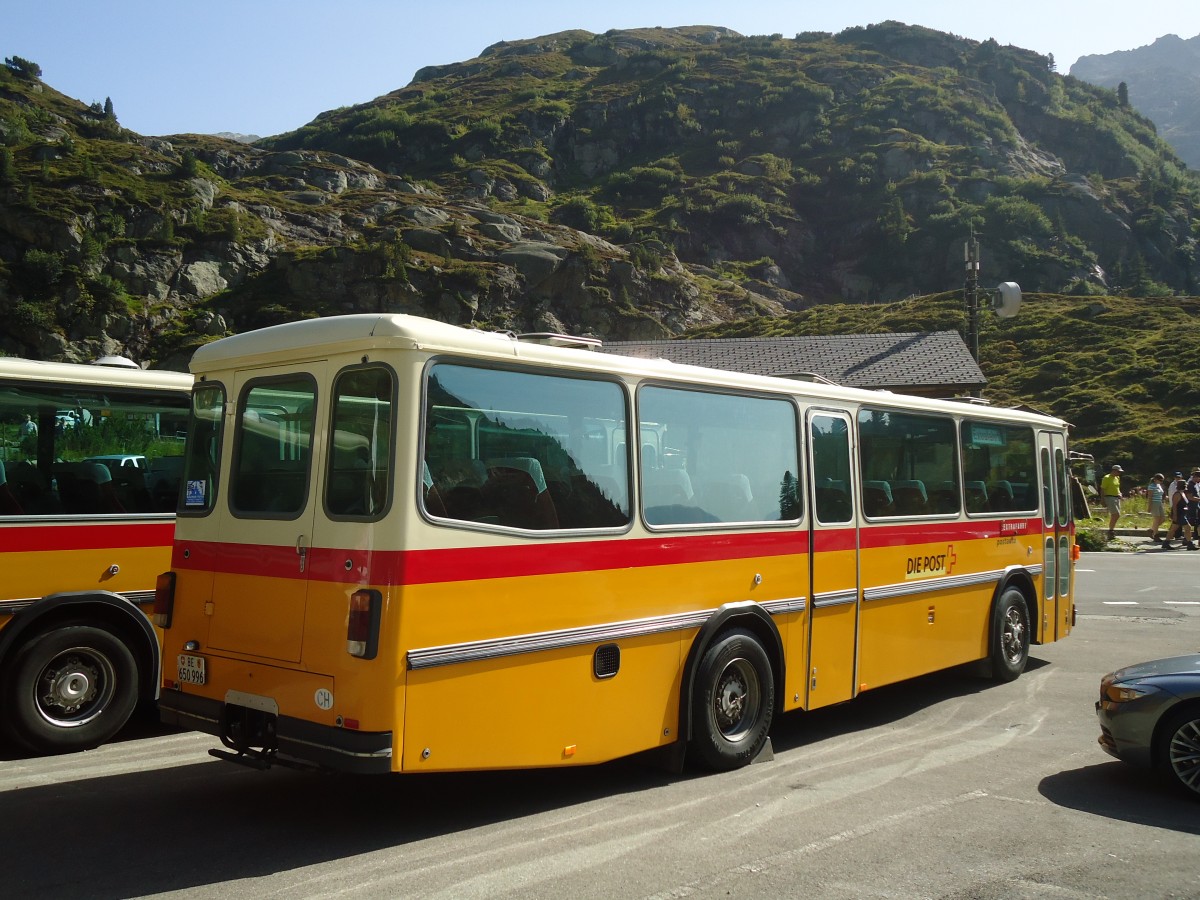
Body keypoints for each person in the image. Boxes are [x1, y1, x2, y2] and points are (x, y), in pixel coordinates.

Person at [1100, 464, 1124, 541]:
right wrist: (1102, 500)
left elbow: (1117, 487)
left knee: (1117, 515)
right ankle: (1111, 530)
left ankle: (1111, 530)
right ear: (1113, 470)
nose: (1119, 473)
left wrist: (1120, 493)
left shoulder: (1117, 478)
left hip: (1116, 497)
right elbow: (1102, 489)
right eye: (1118, 471)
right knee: (1116, 514)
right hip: (1109, 497)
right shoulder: (1106, 478)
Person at [1146, 473, 1166, 541]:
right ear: (1155, 479)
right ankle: (1156, 535)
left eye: (1162, 480)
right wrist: (1149, 506)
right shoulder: (1151, 486)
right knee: (1157, 519)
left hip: (1159, 503)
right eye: (1160, 480)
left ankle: (1152, 530)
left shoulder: (1159, 485)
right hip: (1154, 503)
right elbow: (1150, 497)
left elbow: (1161, 495)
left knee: (1163, 518)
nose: (1161, 481)